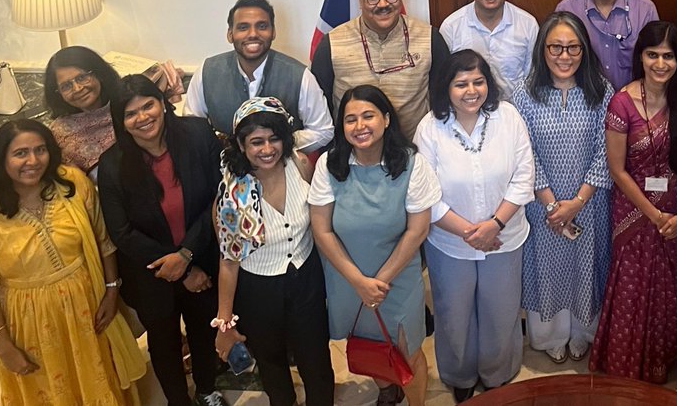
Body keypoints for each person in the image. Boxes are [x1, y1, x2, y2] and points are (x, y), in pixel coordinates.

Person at [0, 119, 146, 405]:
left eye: (40, 150)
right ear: (2, 160)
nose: (33, 161)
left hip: (87, 306)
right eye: (20, 153)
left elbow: (103, 241)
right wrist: (4, 347)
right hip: (30, 321)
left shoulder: (72, 184)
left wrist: (111, 291)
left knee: (96, 378)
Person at [590, 20, 677, 383]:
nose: (661, 64)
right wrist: (656, 215)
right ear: (640, 57)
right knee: (634, 288)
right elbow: (617, 170)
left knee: (675, 288)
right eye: (652, 55)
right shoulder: (622, 102)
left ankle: (669, 359)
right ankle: (631, 363)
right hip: (634, 210)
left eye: (668, 56)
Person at [98, 75, 228, 406]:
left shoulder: (198, 135)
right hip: (150, 273)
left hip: (202, 258)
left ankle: (206, 389)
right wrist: (180, 267)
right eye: (130, 113)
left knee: (203, 331)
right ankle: (176, 400)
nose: (142, 118)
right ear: (121, 122)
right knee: (163, 339)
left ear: (162, 103)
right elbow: (121, 231)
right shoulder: (112, 164)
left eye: (148, 105)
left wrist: (187, 256)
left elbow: (220, 197)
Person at [415, 50, 535, 402]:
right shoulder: (430, 128)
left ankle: (498, 374)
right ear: (446, 88)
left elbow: (524, 176)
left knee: (502, 310)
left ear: (489, 84)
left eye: (478, 81)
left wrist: (494, 225)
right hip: (450, 242)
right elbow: (427, 192)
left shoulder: (508, 118)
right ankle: (460, 375)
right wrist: (472, 232)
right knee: (454, 312)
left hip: (505, 237)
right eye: (461, 83)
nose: (471, 90)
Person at [309, 85, 440, 406]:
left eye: (368, 116)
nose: (359, 126)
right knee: (367, 341)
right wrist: (358, 282)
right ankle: (385, 388)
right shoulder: (330, 165)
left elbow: (417, 230)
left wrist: (379, 282)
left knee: (407, 348)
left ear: (385, 118)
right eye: (350, 119)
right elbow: (321, 229)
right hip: (347, 278)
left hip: (396, 278)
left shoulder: (411, 164)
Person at [212, 97, 336, 406]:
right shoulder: (232, 193)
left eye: (274, 139)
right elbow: (229, 262)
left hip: (306, 277)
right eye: (256, 142)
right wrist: (224, 322)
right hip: (259, 288)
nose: (267, 149)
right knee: (272, 362)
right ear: (241, 145)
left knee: (316, 359)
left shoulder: (301, 165)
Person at [512, 12, 614, 365]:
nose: (564, 55)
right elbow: (525, 154)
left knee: (587, 264)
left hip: (591, 201)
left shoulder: (601, 91)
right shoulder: (524, 95)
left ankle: (585, 332)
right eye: (555, 47)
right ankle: (550, 335)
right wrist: (554, 204)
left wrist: (578, 201)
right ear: (543, 50)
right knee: (548, 267)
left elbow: (607, 151)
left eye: (573, 48)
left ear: (584, 50)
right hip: (544, 204)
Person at [312, 0, 451, 140]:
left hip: (415, 150)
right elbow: (320, 110)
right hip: (352, 156)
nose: (383, 4)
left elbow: (444, 99)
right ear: (360, 0)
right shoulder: (332, 44)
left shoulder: (430, 38)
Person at [185, 0, 334, 151]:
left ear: (273, 32)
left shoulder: (299, 75)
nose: (253, 34)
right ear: (230, 34)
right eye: (243, 27)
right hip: (222, 170)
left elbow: (323, 130)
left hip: (282, 169)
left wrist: (280, 143)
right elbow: (192, 129)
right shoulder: (207, 72)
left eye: (262, 26)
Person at [439, 0, 540, 98]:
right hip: (468, 113)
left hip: (516, 114)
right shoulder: (451, 27)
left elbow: (533, 78)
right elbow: (445, 81)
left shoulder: (528, 25)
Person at [44, 46, 124, 175]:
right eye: (66, 86)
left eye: (81, 78)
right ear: (58, 93)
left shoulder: (127, 108)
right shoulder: (59, 133)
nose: (77, 88)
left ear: (98, 73)